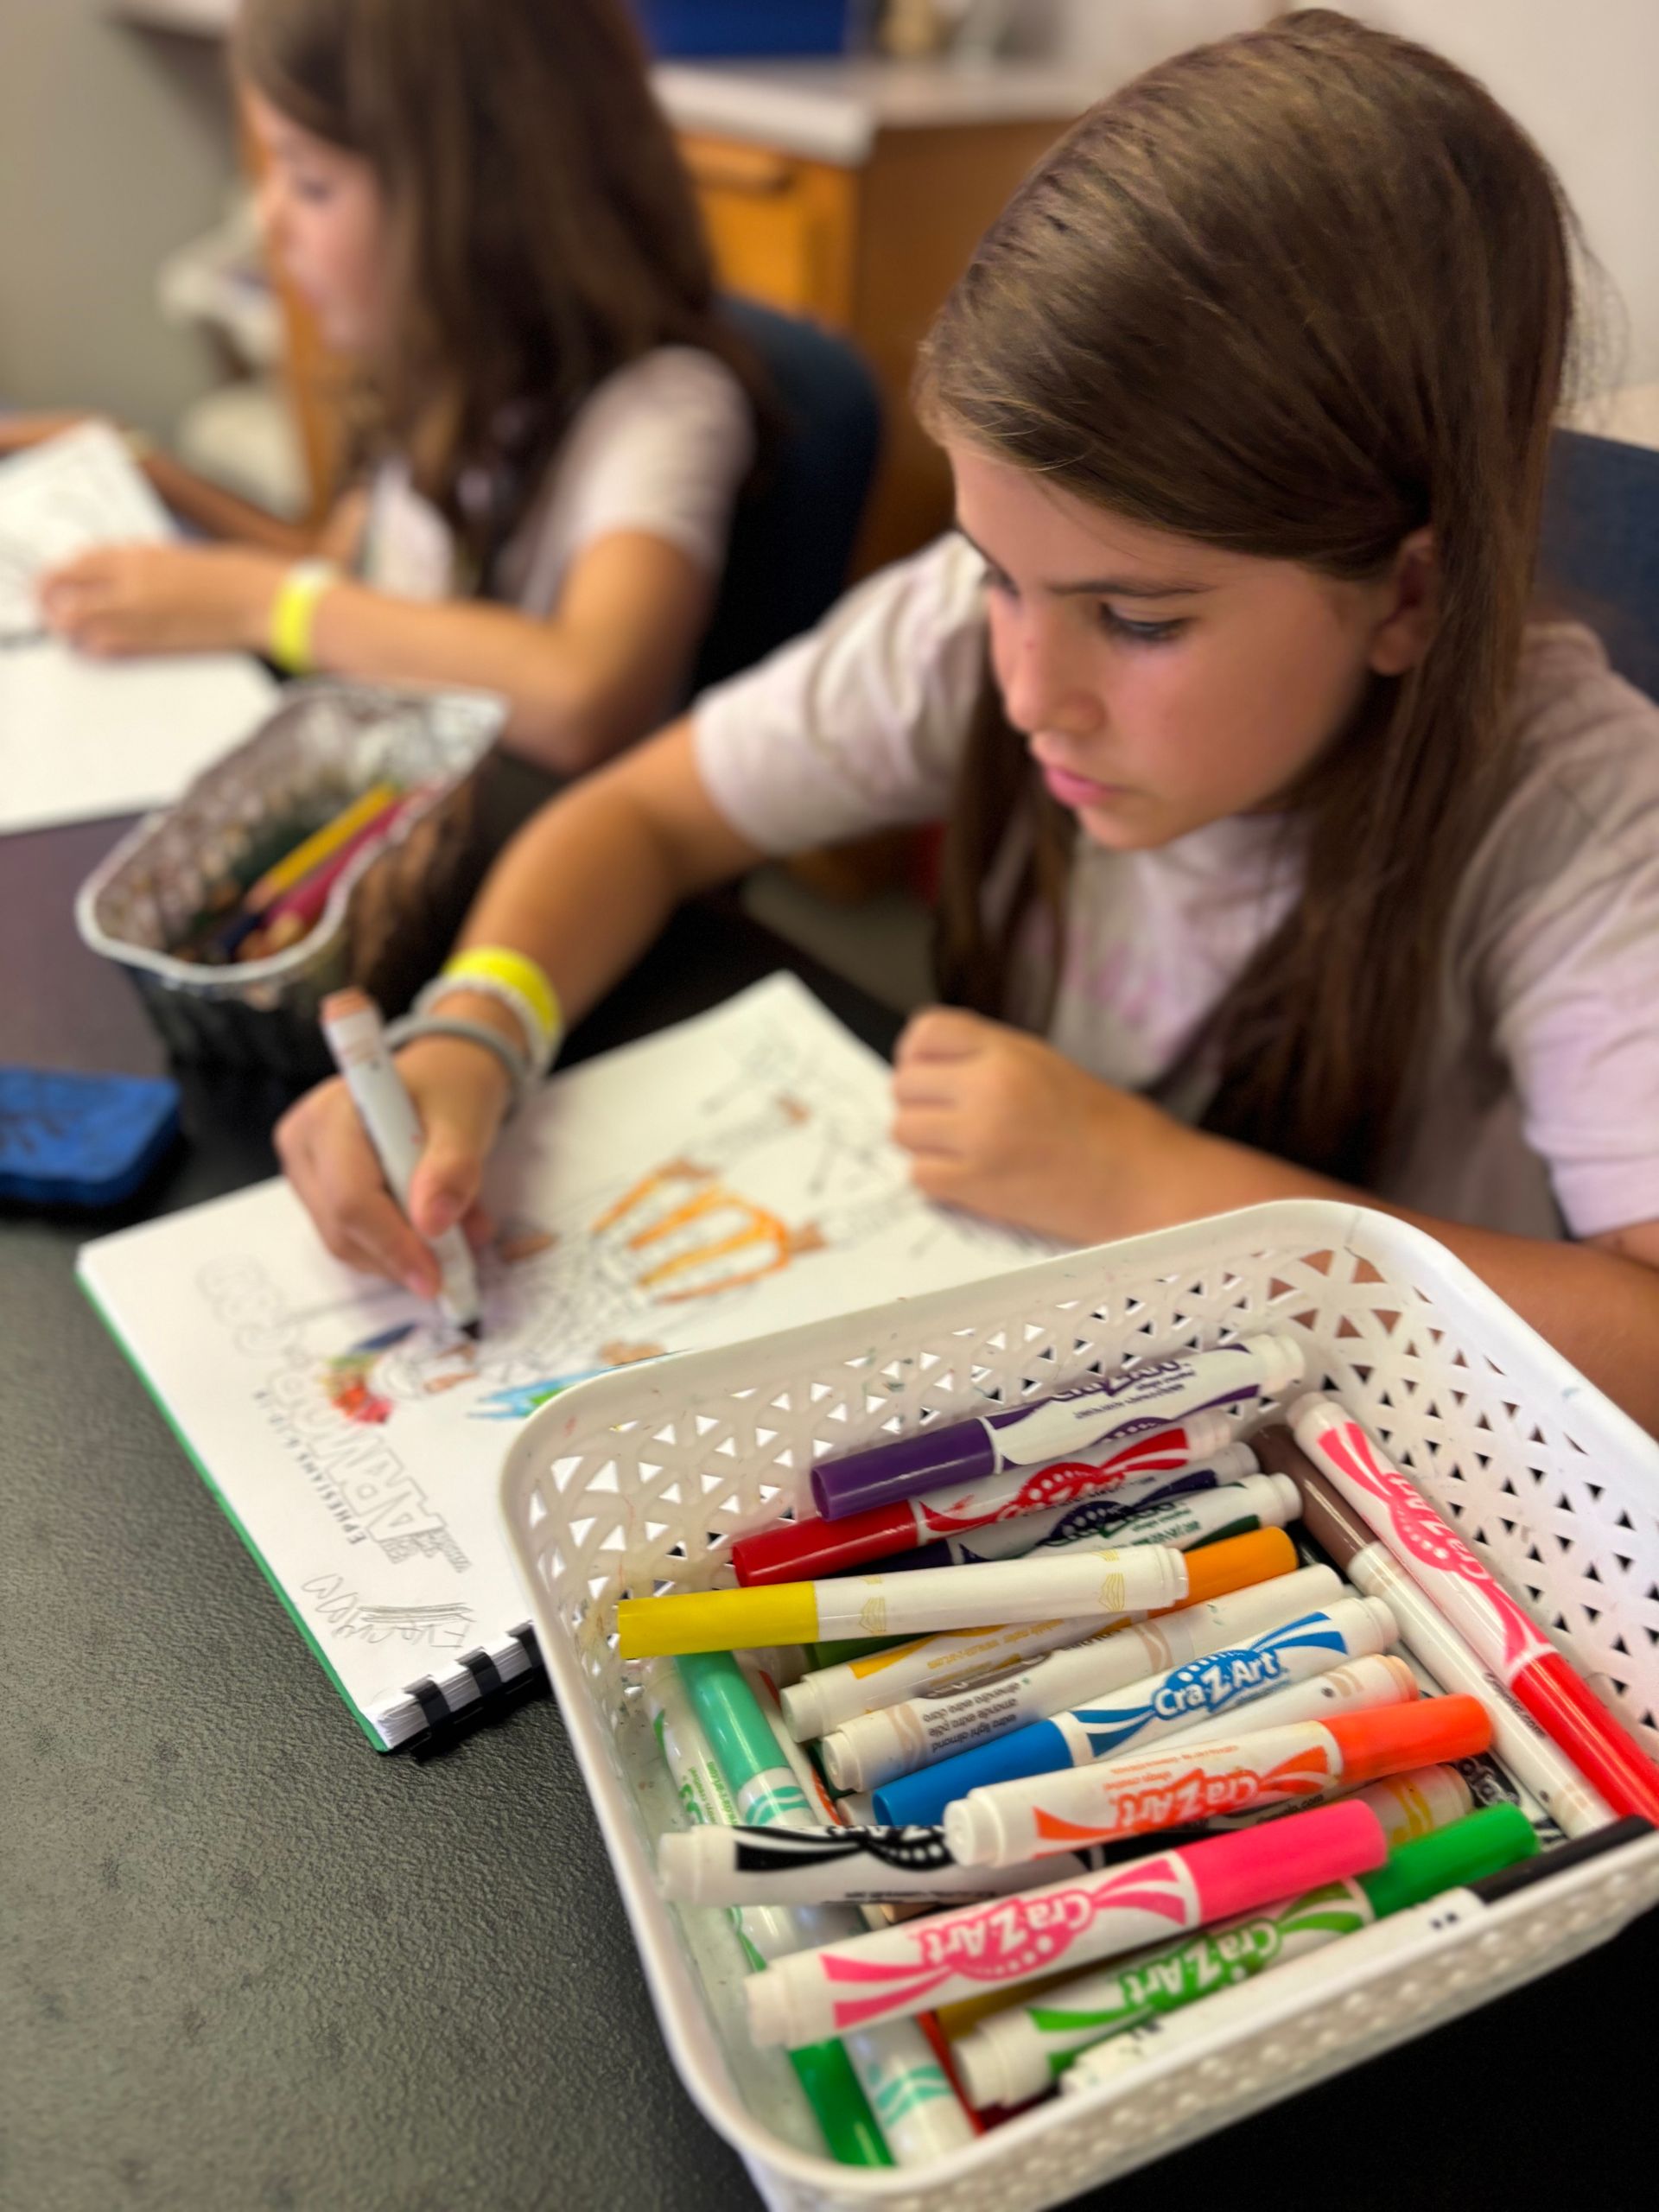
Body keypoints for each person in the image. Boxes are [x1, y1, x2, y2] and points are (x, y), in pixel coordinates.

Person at [276, 11, 1659, 1430]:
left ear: (1408, 595)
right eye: (998, 577)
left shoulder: (1571, 800)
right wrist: (476, 1028)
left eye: (1140, 621)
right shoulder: (976, 623)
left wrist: (1142, 1182)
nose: (1024, 689)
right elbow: (643, 815)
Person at [7, 0, 760, 772]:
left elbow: (584, 695)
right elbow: (344, 574)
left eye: (310, 183)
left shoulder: (663, 410)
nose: (271, 221)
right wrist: (137, 465)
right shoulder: (451, 363)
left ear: (477, 197)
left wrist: (258, 601)